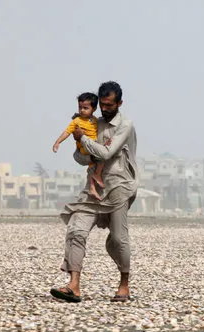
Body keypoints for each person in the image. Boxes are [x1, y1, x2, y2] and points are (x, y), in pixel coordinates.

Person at [49, 81, 138, 303]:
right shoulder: (93, 124)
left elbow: (107, 153)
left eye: (110, 105)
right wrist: (84, 147)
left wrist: (84, 140)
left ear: (119, 103)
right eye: (103, 105)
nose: (105, 109)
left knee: (118, 239)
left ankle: (124, 284)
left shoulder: (125, 125)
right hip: (93, 188)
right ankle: (74, 285)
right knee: (76, 230)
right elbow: (78, 157)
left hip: (119, 187)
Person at [52, 92, 107, 200]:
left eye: (85, 108)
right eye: (80, 107)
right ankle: (98, 175)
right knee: (102, 156)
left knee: (92, 166)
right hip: (85, 148)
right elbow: (67, 132)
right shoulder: (77, 121)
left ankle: (92, 188)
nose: (82, 110)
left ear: (94, 109)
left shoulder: (95, 120)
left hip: (92, 146)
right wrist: (57, 142)